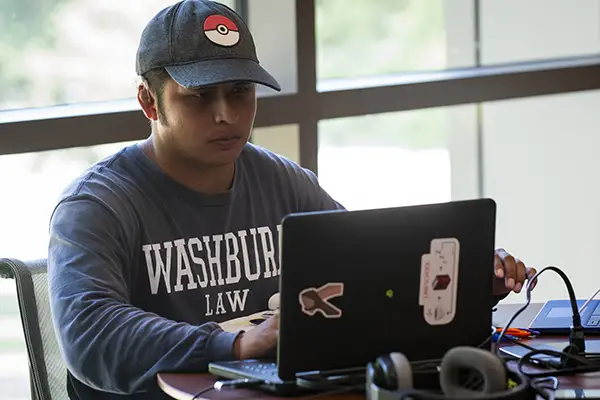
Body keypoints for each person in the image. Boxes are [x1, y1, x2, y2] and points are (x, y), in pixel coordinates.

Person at [47, 0, 538, 399]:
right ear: (149, 102)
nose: (226, 115)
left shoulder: (282, 181)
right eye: (198, 96)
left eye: (240, 91)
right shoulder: (96, 206)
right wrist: (234, 345)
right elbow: (90, 334)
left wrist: (467, 282)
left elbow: (373, 275)